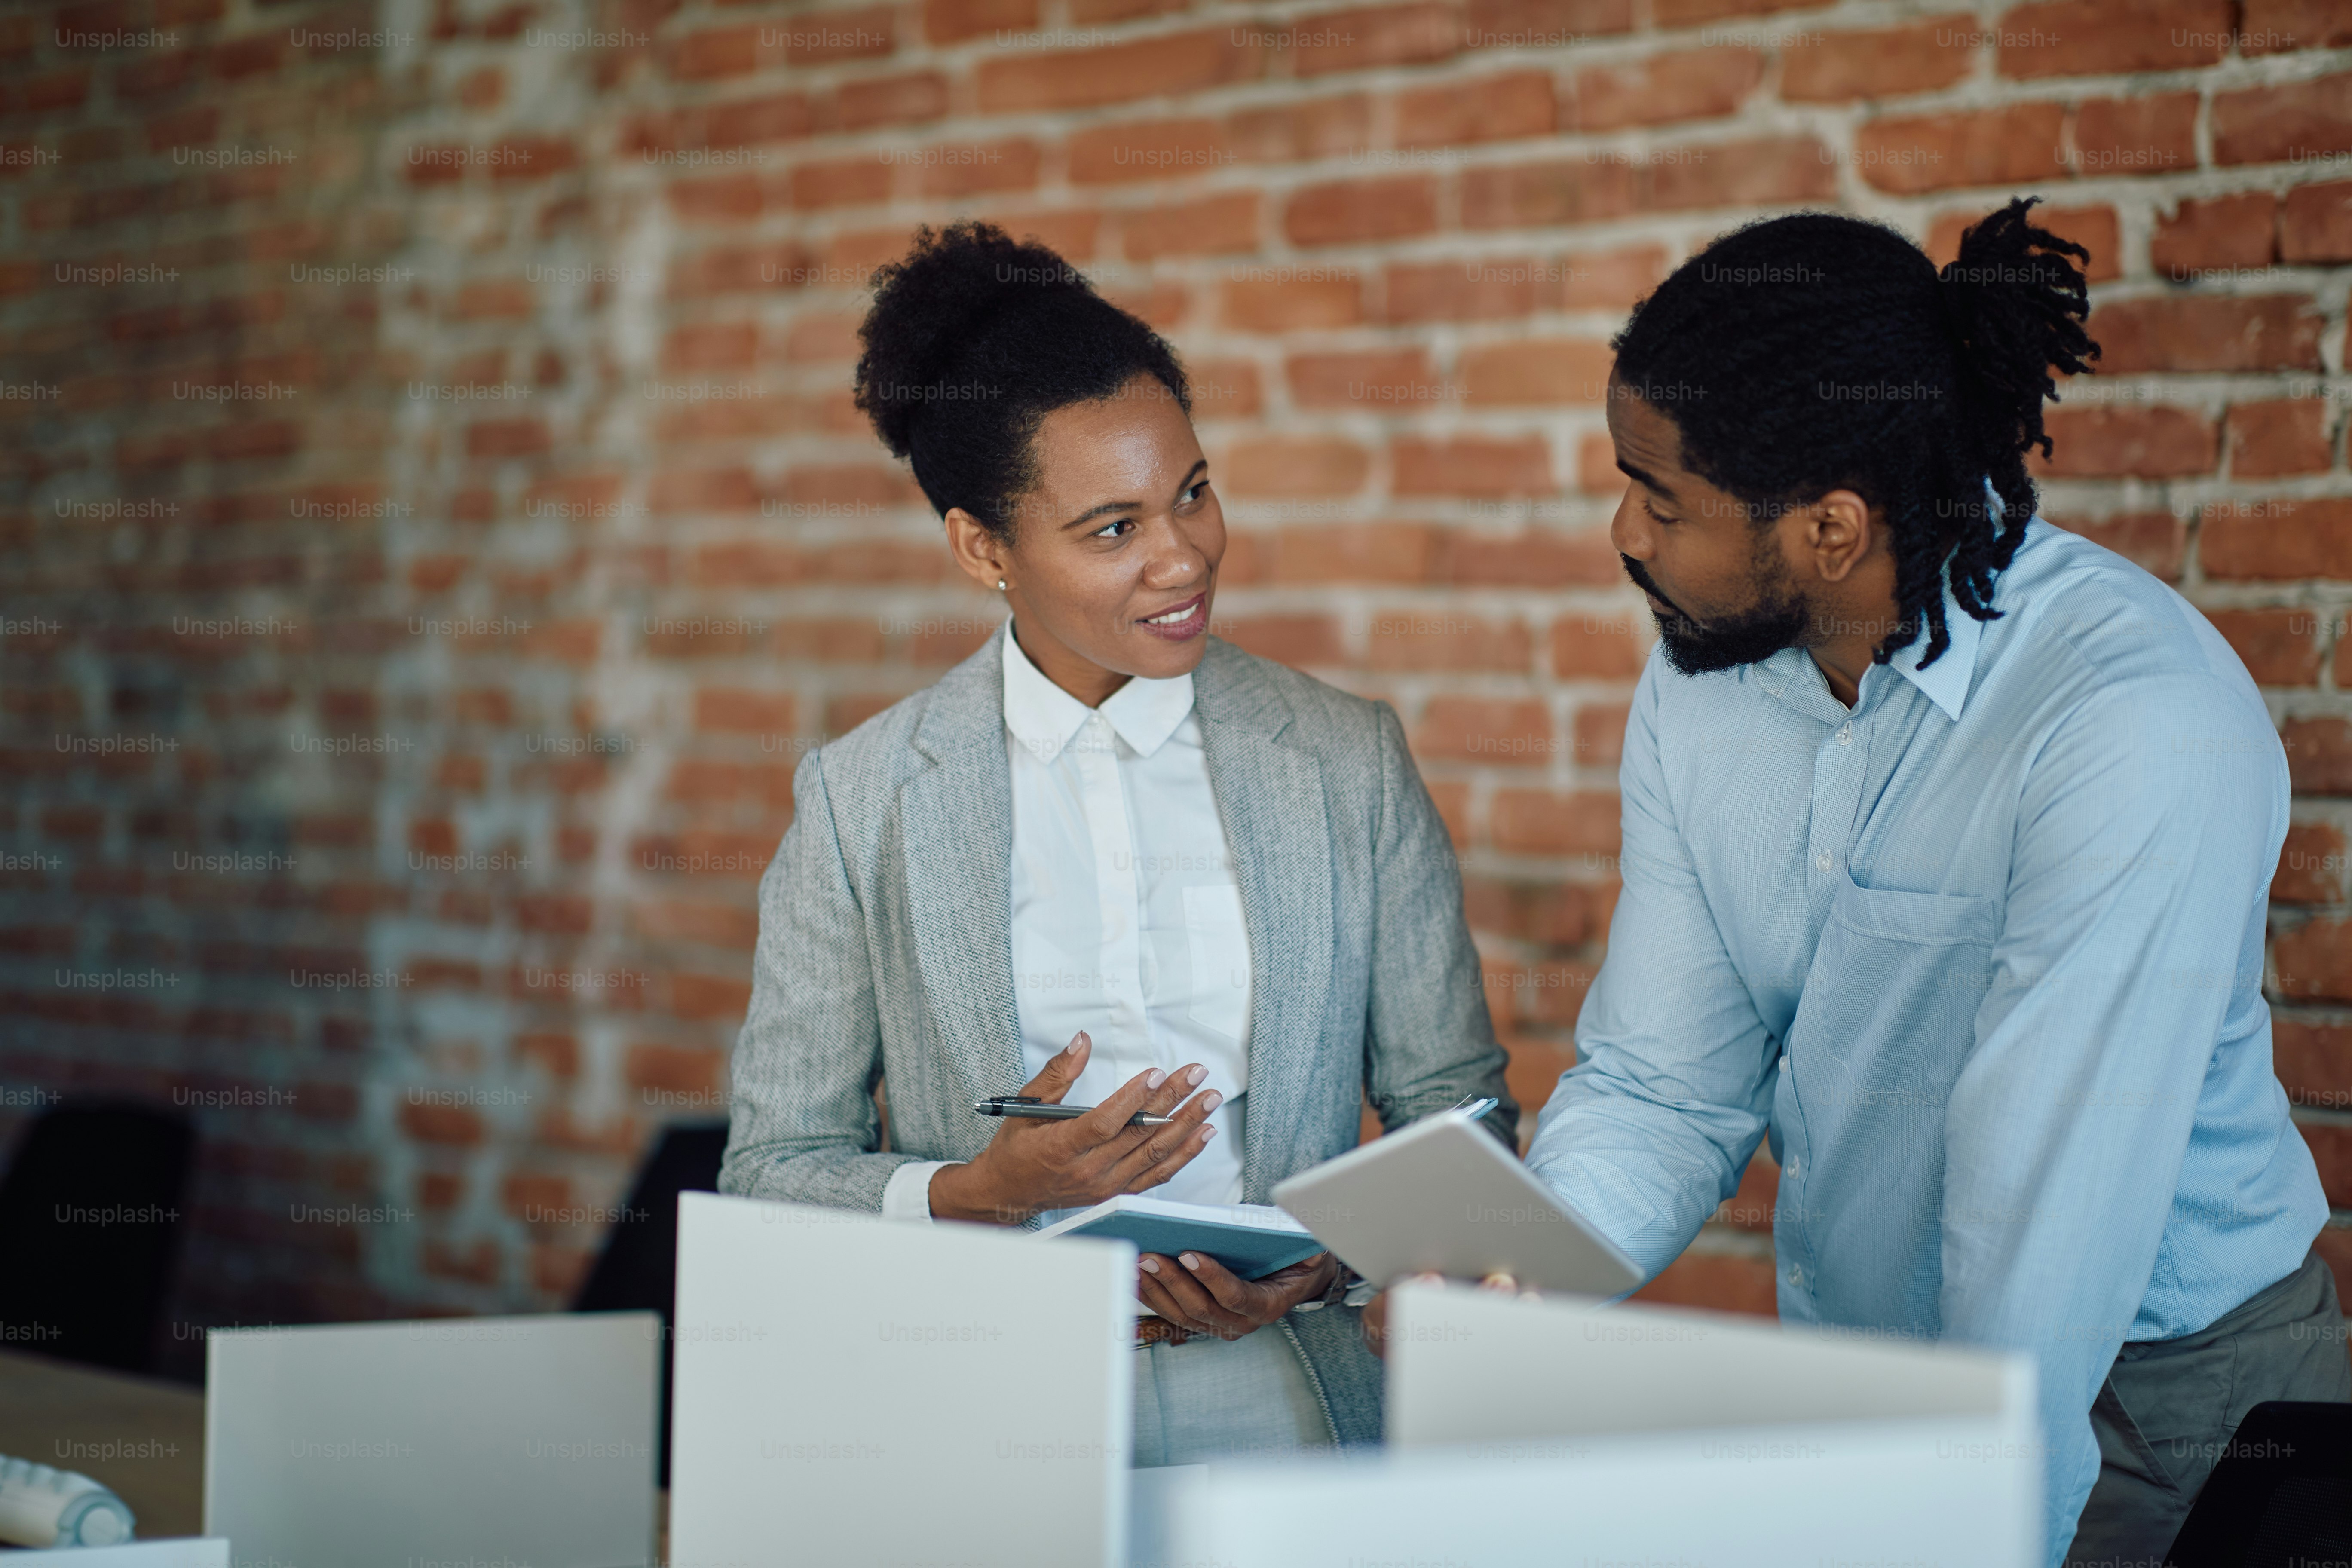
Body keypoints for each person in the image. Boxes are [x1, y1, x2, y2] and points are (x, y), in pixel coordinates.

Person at [1371, 198, 2348, 1566]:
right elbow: (1666, 1083)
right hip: (1890, 1387)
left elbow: (2040, 1232)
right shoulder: (1704, 687)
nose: (1625, 534)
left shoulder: (2129, 723)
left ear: (1831, 527)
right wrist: (1511, 1277)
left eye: (1662, 497)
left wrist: (1956, 1513)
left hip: (2170, 1409)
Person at [718, 220, 1516, 1465]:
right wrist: (980, 1192)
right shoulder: (862, 796)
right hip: (986, 1420)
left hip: (1292, 1401)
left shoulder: (1343, 758)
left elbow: (1455, 1114)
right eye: (1111, 529)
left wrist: (1316, 1273)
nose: (1183, 555)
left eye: (1192, 491)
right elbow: (773, 1171)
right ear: (984, 549)